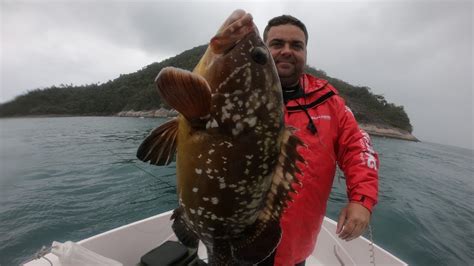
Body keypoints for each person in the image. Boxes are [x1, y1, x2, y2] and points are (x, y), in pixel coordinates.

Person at [260, 15, 380, 266]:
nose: (286, 51)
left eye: (296, 45)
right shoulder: (237, 95)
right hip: (238, 235)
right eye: (277, 43)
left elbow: (357, 147)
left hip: (295, 243)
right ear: (263, 48)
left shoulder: (329, 101)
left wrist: (361, 200)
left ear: (305, 51)